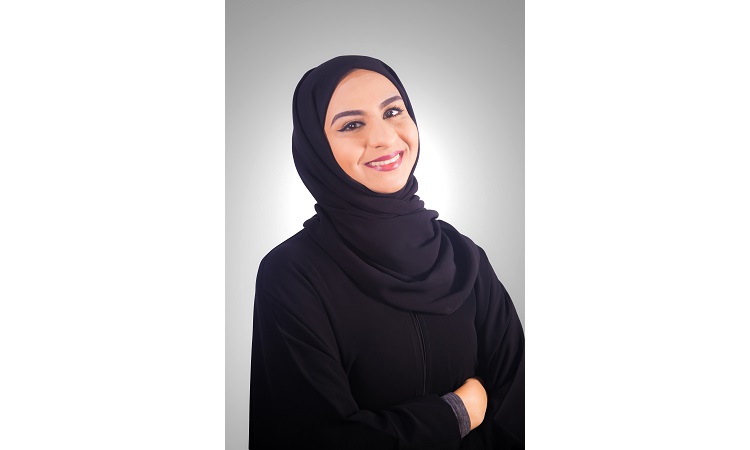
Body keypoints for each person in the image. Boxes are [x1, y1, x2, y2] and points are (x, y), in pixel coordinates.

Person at [249, 55, 524, 449]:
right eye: (351, 124)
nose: (383, 137)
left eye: (393, 112)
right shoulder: (292, 274)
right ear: (316, 149)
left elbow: (520, 409)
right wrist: (456, 413)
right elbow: (319, 439)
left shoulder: (464, 258)